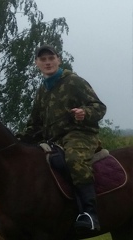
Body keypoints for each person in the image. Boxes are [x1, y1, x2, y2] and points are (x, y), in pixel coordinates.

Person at [18, 44, 106, 233]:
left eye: (51, 58)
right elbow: (34, 125)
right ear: (36, 63)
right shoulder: (42, 90)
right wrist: (17, 142)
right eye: (43, 59)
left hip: (80, 134)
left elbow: (99, 107)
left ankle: (90, 214)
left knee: (74, 159)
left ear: (59, 59)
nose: (47, 62)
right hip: (53, 140)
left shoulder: (74, 82)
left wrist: (85, 112)